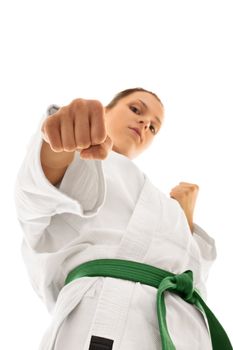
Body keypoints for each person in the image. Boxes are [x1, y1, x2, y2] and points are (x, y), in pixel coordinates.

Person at [13, 88, 231, 350]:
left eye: (153, 127)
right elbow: (36, 196)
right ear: (105, 111)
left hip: (185, 334)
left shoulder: (161, 202)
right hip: (104, 319)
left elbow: (192, 281)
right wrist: (59, 141)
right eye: (136, 110)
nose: (144, 123)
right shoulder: (81, 160)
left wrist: (185, 221)